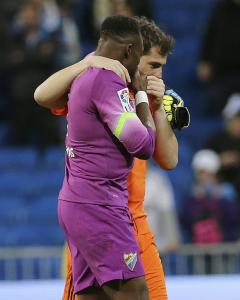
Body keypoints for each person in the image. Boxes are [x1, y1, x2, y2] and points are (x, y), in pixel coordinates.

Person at [35, 16, 181, 300]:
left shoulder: (147, 95)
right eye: (153, 65)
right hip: (98, 215)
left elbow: (170, 160)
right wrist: (87, 62)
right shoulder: (96, 83)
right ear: (131, 53)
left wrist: (158, 108)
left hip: (133, 221)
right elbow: (42, 95)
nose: (159, 75)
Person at [58, 15, 158, 300]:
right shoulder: (107, 81)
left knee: (95, 297)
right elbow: (143, 145)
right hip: (100, 207)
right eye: (138, 55)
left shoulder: (84, 73)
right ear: (128, 51)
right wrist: (141, 99)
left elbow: (42, 95)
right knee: (136, 294)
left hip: (78, 202)